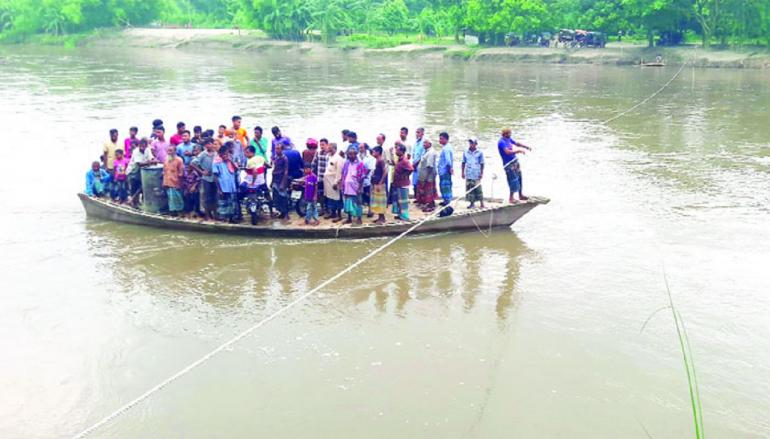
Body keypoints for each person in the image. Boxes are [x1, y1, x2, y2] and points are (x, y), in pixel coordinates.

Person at [498, 128, 532, 203]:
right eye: (509, 133)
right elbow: (507, 152)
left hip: (514, 161)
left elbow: (517, 143)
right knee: (513, 180)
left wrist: (526, 147)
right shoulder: (501, 142)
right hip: (508, 164)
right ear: (505, 134)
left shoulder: (508, 139)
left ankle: (520, 194)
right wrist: (518, 151)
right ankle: (511, 198)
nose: (510, 135)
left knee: (519, 177)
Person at [191, 137, 218, 220]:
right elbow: (193, 163)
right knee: (207, 197)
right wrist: (202, 172)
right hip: (206, 178)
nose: (209, 146)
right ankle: (207, 214)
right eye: (207, 144)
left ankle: (215, 214)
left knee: (215, 196)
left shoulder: (216, 154)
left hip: (215, 178)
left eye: (210, 143)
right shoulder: (203, 154)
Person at [340, 145, 366, 225]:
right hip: (347, 187)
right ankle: (349, 218)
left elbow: (362, 177)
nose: (351, 156)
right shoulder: (346, 163)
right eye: (349, 154)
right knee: (348, 202)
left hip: (356, 187)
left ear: (356, 154)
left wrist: (360, 187)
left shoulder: (360, 164)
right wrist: (341, 183)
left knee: (358, 203)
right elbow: (343, 173)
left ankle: (359, 218)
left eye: (353, 154)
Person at [212, 143, 238, 222]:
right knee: (223, 203)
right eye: (224, 155)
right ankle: (224, 219)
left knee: (232, 203)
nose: (226, 156)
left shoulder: (230, 161)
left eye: (227, 154)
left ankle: (232, 218)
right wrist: (219, 189)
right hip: (223, 187)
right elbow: (215, 176)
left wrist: (231, 161)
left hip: (231, 186)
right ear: (220, 154)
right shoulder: (216, 162)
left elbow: (236, 169)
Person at [127, 138, 155, 207]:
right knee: (134, 187)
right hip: (133, 171)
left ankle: (141, 203)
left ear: (146, 146)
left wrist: (153, 160)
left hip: (142, 172)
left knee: (143, 187)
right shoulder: (136, 151)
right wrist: (150, 162)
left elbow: (151, 158)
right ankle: (133, 203)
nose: (142, 147)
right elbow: (139, 164)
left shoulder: (147, 150)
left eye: (144, 146)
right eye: (141, 146)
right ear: (139, 145)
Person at [392, 144, 413, 221]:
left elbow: (411, 169)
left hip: (403, 184)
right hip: (398, 184)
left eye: (397, 150)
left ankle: (405, 216)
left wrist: (405, 176)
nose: (396, 151)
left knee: (403, 202)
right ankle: (400, 214)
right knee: (399, 200)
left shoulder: (405, 160)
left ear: (401, 151)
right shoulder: (399, 159)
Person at [462, 138, 485, 209]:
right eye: (470, 143)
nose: (471, 144)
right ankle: (472, 203)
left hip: (476, 173)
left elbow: (482, 163)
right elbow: (463, 162)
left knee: (478, 189)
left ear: (476, 144)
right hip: (469, 173)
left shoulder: (479, 152)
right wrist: (462, 172)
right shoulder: (466, 152)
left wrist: (481, 173)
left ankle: (482, 203)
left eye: (473, 143)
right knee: (470, 188)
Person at [163, 144, 185, 216]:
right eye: (168, 150)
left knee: (178, 199)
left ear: (175, 151)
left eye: (171, 150)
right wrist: (164, 182)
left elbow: (181, 174)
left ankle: (180, 213)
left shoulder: (179, 160)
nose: (169, 152)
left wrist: (179, 184)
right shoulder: (166, 160)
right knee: (170, 199)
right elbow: (164, 172)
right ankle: (172, 213)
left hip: (176, 183)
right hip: (167, 183)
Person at [416, 139, 438, 211]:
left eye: (425, 143)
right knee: (427, 191)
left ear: (430, 144)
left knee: (429, 191)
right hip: (424, 175)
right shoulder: (426, 151)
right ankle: (428, 204)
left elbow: (430, 166)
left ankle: (430, 206)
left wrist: (426, 178)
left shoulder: (430, 153)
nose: (423, 144)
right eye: (423, 143)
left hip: (428, 176)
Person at [324, 143, 344, 221]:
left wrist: (336, 182)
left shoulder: (339, 158)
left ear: (334, 148)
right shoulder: (329, 157)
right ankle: (333, 213)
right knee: (330, 198)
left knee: (337, 198)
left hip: (334, 182)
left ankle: (339, 215)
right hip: (328, 182)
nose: (328, 149)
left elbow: (339, 172)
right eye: (328, 148)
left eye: (330, 148)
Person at [271, 142, 290, 220]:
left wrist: (283, 183)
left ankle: (286, 214)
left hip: (281, 180)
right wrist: (271, 182)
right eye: (276, 148)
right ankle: (281, 212)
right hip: (275, 179)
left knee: (283, 197)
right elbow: (274, 170)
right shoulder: (275, 158)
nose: (276, 150)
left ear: (282, 150)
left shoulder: (284, 158)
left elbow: (286, 171)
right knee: (277, 197)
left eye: (278, 148)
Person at [311, 138, 330, 216]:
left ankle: (329, 209)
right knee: (320, 194)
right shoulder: (318, 153)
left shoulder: (329, 154)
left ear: (327, 145)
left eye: (323, 145)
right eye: (320, 145)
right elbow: (313, 164)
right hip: (320, 178)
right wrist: (312, 173)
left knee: (328, 194)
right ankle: (322, 209)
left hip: (328, 178)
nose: (321, 146)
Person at [370, 146, 388, 224]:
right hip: (376, 182)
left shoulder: (381, 160)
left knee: (380, 201)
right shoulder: (377, 160)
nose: (373, 153)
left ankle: (382, 218)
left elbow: (385, 172)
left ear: (378, 152)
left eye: (374, 152)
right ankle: (380, 217)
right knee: (377, 201)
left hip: (379, 183)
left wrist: (380, 183)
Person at [183, 144, 203, 216]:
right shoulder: (192, 158)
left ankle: (198, 212)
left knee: (197, 198)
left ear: (201, 151)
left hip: (198, 181)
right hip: (190, 182)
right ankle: (191, 212)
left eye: (197, 150)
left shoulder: (201, 158)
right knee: (190, 198)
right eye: (194, 150)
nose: (195, 152)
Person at [358, 142, 376, 218]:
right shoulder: (357, 156)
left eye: (361, 148)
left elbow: (370, 168)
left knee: (368, 195)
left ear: (365, 148)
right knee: (360, 195)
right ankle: (360, 210)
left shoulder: (370, 157)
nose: (360, 149)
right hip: (358, 179)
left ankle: (370, 210)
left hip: (367, 179)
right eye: (359, 148)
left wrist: (364, 175)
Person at [437, 132, 454, 206]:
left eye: (441, 139)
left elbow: (448, 161)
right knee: (444, 186)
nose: (440, 140)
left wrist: (449, 169)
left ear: (446, 139)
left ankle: (447, 201)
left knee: (445, 186)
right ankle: (445, 200)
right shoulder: (446, 147)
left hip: (445, 171)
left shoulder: (446, 148)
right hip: (443, 170)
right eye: (439, 138)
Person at [411, 127, 425, 196]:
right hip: (414, 165)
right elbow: (413, 155)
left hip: (419, 166)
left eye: (418, 132)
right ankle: (416, 197)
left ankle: (420, 198)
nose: (417, 134)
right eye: (416, 132)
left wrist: (415, 164)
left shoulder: (424, 143)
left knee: (420, 183)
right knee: (414, 183)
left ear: (422, 133)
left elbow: (422, 156)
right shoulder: (416, 142)